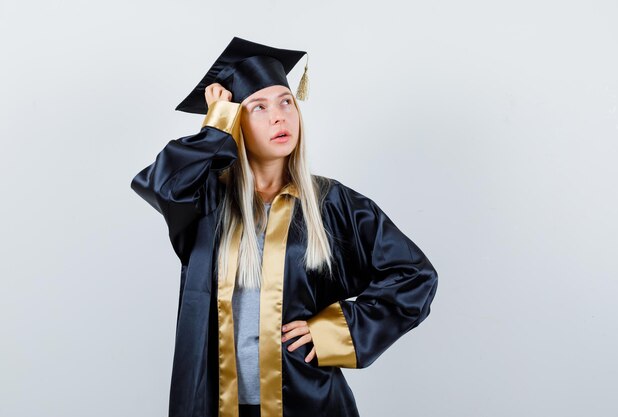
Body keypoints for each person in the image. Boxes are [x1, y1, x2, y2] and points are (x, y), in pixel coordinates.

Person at [130, 36, 438, 417]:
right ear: (236, 121)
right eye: (258, 107)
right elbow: (160, 184)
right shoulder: (205, 202)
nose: (279, 116)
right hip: (212, 402)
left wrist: (332, 332)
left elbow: (414, 276)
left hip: (307, 401)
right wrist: (217, 126)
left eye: (286, 102)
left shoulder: (332, 203)